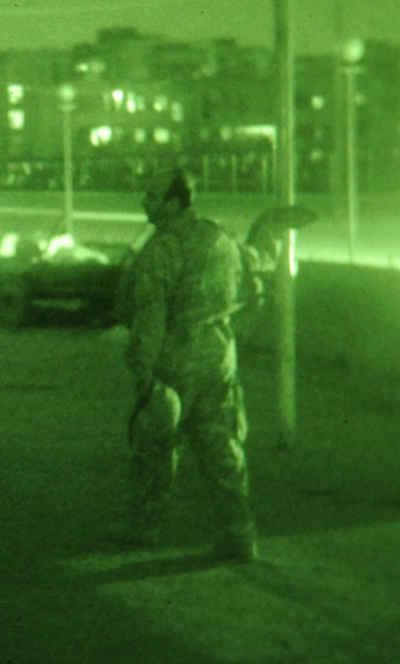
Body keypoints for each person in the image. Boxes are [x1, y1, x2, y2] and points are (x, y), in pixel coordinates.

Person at [111, 167, 258, 562]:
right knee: (223, 445)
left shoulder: (163, 248)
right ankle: (239, 533)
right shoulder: (219, 237)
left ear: (173, 204)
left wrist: (142, 374)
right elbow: (248, 289)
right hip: (219, 353)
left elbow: (149, 319)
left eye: (152, 195)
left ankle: (144, 526)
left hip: (174, 359)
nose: (144, 200)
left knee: (154, 441)